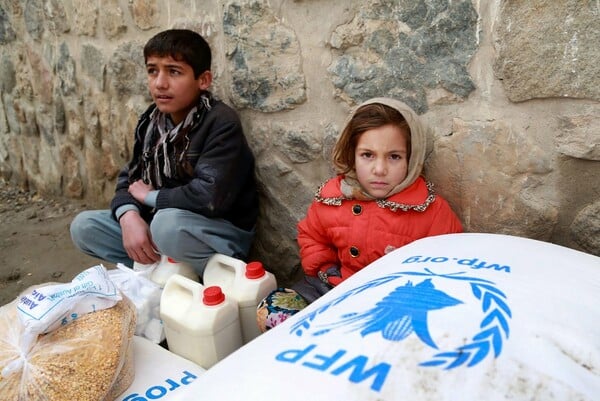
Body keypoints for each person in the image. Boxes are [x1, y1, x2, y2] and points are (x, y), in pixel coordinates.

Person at [257, 97, 463, 331]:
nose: (379, 169)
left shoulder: (430, 210)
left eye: (394, 156)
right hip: (335, 287)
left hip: (396, 301)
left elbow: (448, 265)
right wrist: (326, 271)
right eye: (368, 155)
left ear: (412, 158)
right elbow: (312, 236)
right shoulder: (333, 197)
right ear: (351, 154)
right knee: (273, 311)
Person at [70, 29, 258, 278]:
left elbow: (208, 197)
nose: (160, 83)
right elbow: (130, 179)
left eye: (174, 71)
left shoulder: (220, 122)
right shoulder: (151, 121)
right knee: (84, 227)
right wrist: (128, 216)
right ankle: (161, 268)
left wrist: (152, 198)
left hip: (212, 232)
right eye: (152, 70)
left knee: (166, 226)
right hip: (161, 225)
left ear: (203, 80)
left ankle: (205, 274)